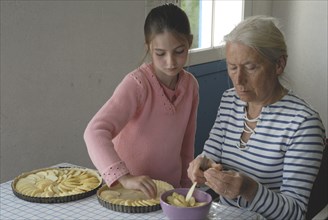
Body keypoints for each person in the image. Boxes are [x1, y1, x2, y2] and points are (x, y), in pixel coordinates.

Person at [187, 15, 326, 220]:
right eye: (232, 67)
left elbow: (296, 213)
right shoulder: (230, 101)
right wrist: (200, 166)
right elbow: (210, 157)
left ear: (279, 64)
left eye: (250, 67)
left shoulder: (304, 124)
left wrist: (249, 189)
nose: (238, 79)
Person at [84, 4, 198, 199]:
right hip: (127, 192)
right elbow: (94, 132)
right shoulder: (137, 84)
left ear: (189, 42)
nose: (170, 62)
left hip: (168, 193)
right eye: (160, 54)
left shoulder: (191, 86)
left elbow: (187, 145)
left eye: (179, 51)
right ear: (148, 48)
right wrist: (125, 177)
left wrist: (186, 190)